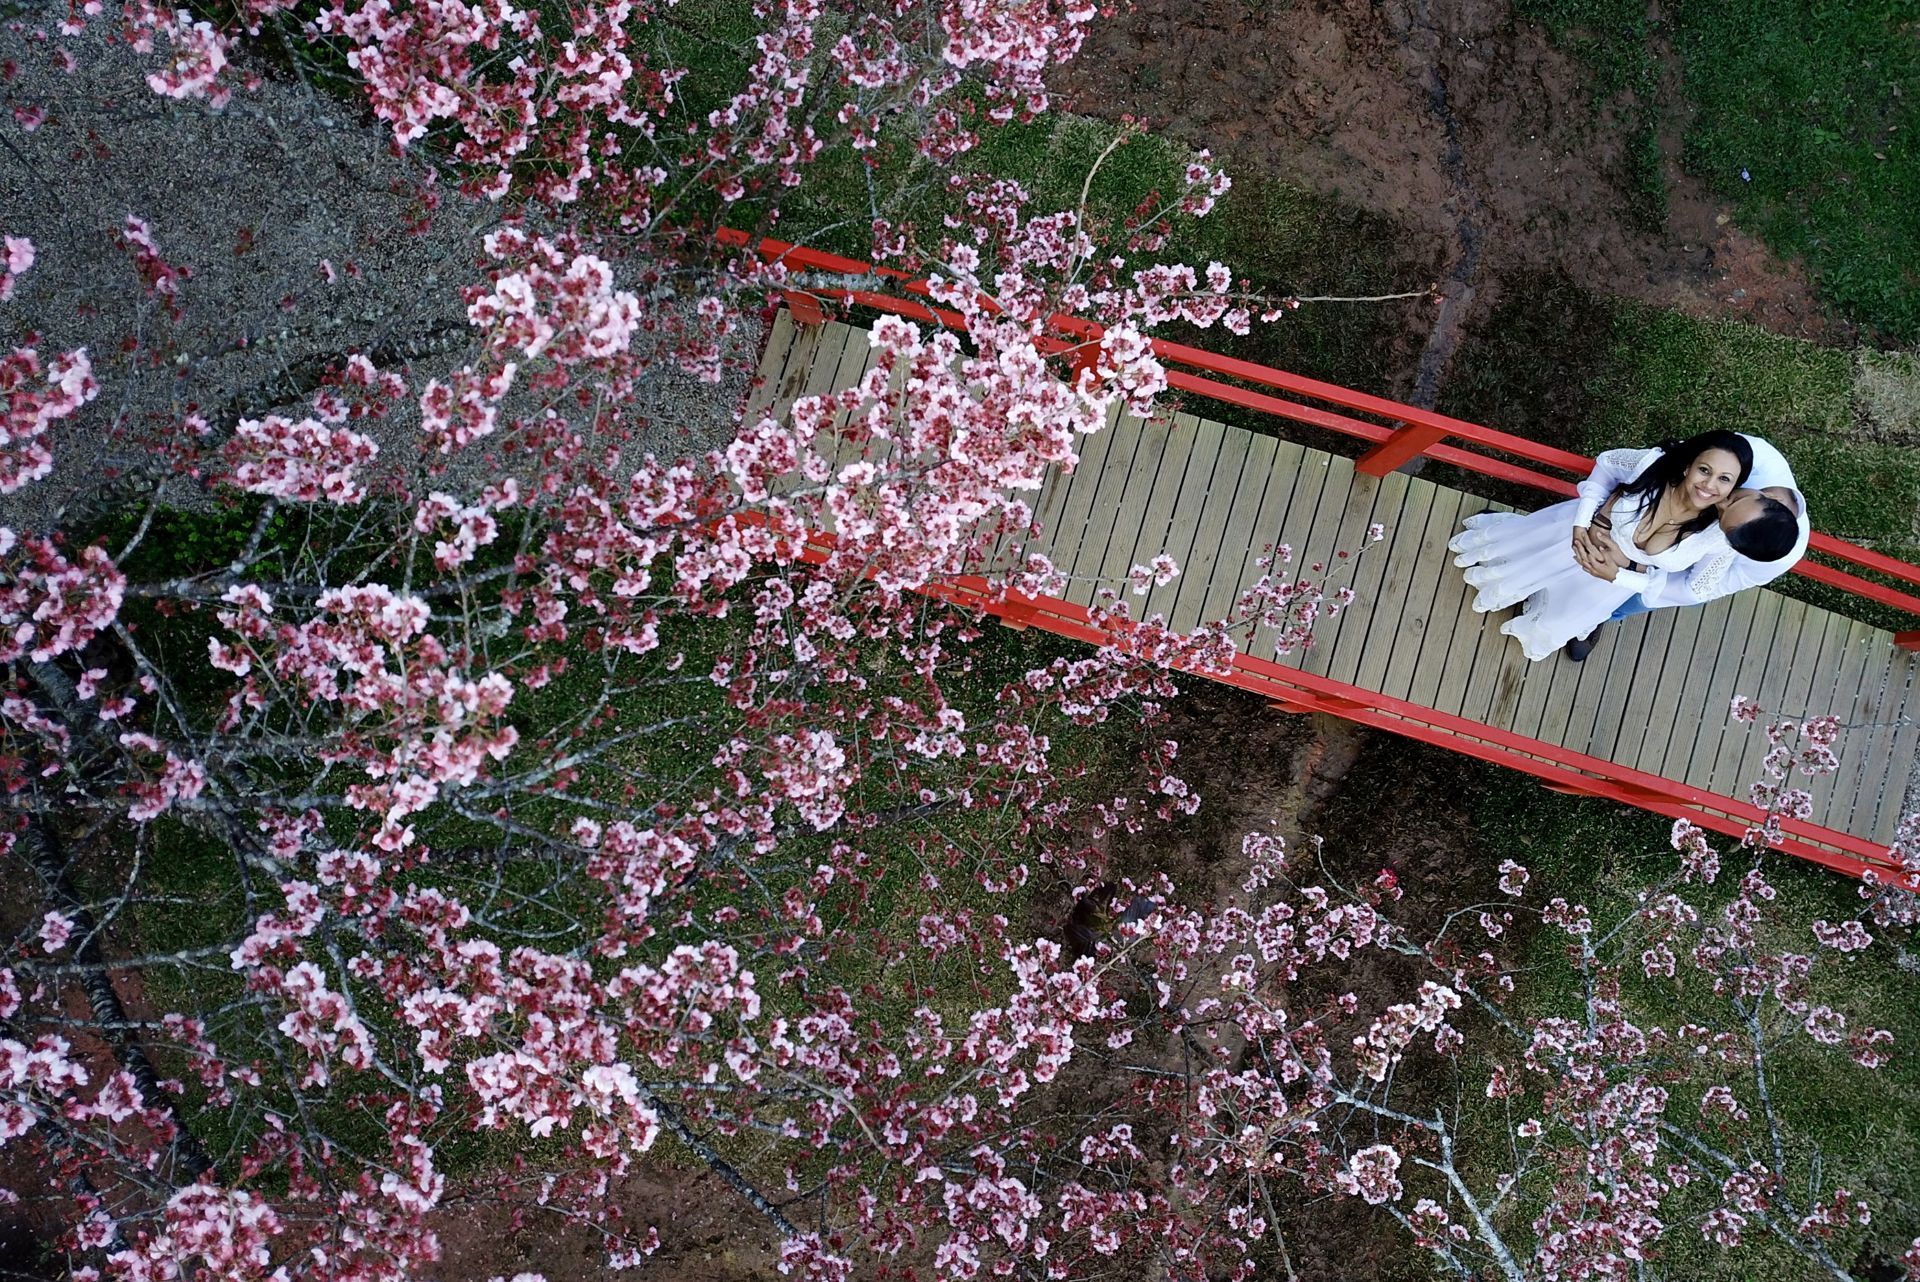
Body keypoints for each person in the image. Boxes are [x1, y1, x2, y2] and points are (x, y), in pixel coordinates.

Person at [1448, 431, 1751, 662]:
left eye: (1724, 479)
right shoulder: (1652, 466)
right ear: (1688, 466)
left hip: (1608, 583)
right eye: (1705, 470)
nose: (1709, 485)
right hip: (1571, 538)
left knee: (1563, 616)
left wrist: (1621, 575)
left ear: (1734, 487)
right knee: (1515, 561)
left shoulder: (1719, 536)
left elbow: (1695, 590)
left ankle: (1571, 624)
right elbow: (1606, 466)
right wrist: (1583, 522)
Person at [1564, 432, 1808, 661]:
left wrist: (1629, 572)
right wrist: (1603, 518)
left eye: (1723, 521)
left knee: (1633, 601)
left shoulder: (1756, 554)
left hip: (1675, 566)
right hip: (1628, 530)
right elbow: (1700, 453)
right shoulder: (1759, 457)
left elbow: (1700, 589)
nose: (1720, 502)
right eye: (1734, 498)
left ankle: (1598, 618)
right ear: (1768, 498)